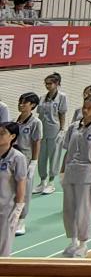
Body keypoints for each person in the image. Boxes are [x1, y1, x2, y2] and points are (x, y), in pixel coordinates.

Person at [60, 93, 91, 258]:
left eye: (89, 108)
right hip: (70, 170)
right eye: (84, 107)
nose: (85, 110)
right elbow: (67, 151)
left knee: (83, 210)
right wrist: (62, 170)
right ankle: (72, 241)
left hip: (86, 171)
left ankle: (83, 243)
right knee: (69, 209)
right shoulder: (74, 127)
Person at [35, 72, 67, 194]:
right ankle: (42, 181)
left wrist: (62, 129)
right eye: (46, 84)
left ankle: (51, 182)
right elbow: (39, 114)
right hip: (42, 130)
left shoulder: (62, 97)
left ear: (56, 84)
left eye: (50, 84)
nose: (47, 86)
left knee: (54, 156)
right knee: (41, 156)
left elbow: (62, 114)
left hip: (54, 130)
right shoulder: (42, 97)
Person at [13, 93, 40, 236]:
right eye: (20, 101)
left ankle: (21, 220)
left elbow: (36, 142)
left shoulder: (35, 123)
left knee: (25, 191)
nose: (21, 104)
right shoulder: (14, 121)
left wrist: (34, 162)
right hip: (12, 159)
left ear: (33, 105)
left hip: (26, 159)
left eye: (24, 102)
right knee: (11, 189)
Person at [0, 122, 28, 257]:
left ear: (12, 136)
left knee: (3, 246)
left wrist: (18, 207)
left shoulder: (17, 157)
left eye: (2, 134)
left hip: (6, 209)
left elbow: (21, 183)